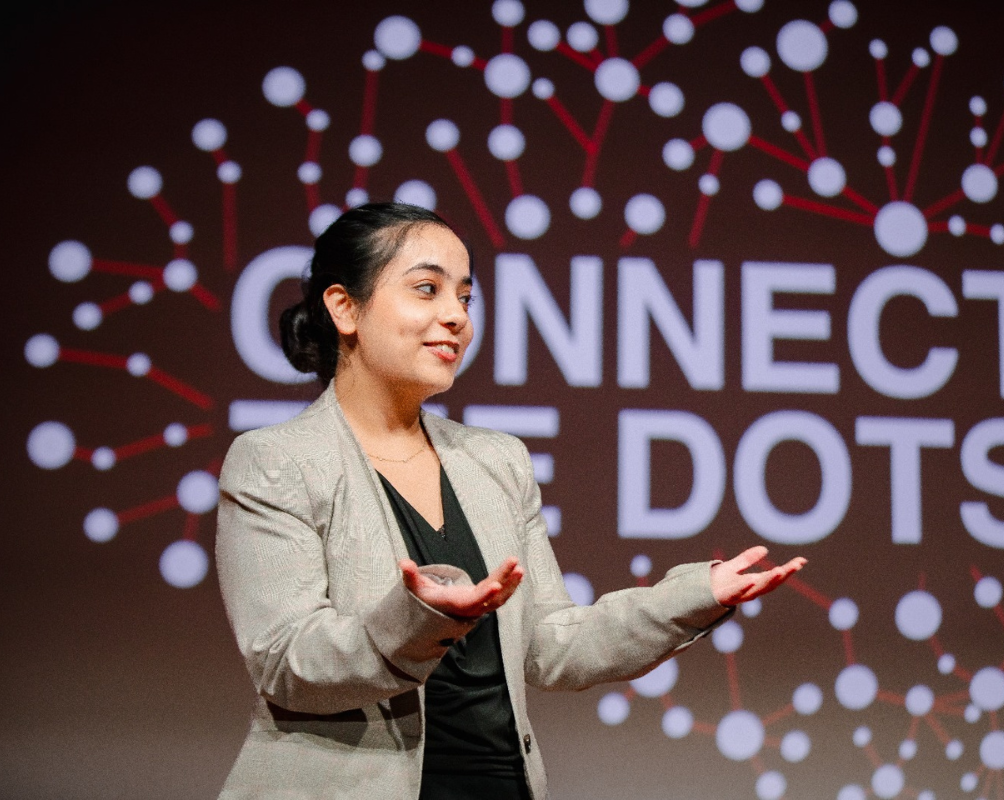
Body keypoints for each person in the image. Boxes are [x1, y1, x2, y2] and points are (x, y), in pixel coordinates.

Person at [215, 202, 806, 800]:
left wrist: (694, 596)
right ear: (344, 308)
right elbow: (286, 662)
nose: (456, 317)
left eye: (465, 298)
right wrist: (419, 619)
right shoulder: (277, 461)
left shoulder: (496, 461)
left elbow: (551, 646)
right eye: (427, 289)